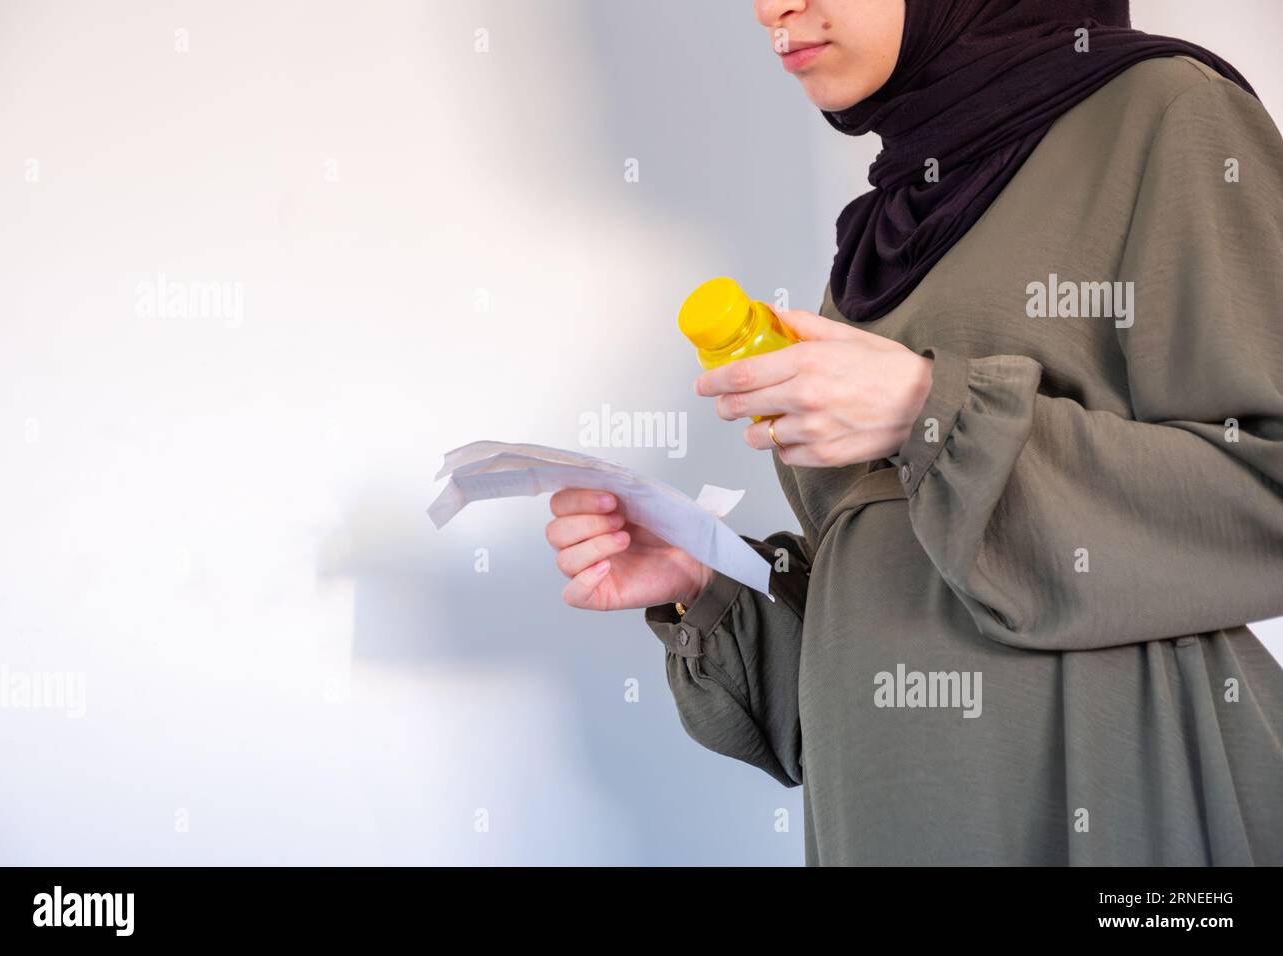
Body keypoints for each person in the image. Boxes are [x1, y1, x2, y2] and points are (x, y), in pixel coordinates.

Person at [544, 0, 1283, 865]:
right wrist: (707, 578)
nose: (772, 8)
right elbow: (893, 620)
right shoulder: (890, 223)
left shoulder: (1163, 113)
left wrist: (930, 411)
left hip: (1114, 801)